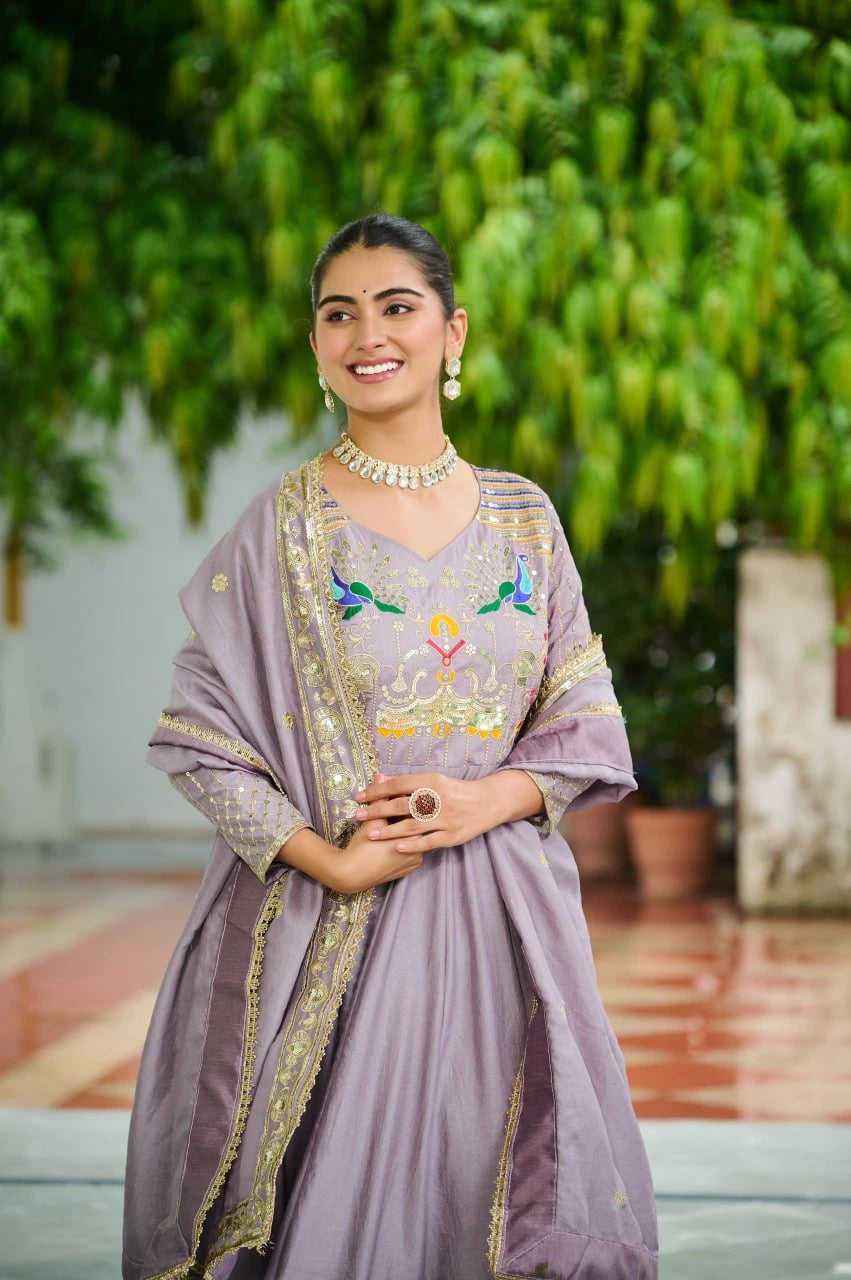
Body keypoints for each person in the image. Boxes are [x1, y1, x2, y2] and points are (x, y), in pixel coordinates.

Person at [122, 214, 658, 1280]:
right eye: (339, 313)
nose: (367, 334)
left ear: (451, 332)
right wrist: (331, 862)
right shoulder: (280, 529)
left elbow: (583, 712)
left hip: (504, 918)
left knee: (494, 1183)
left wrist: (481, 802)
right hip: (335, 922)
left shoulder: (524, 519)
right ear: (316, 344)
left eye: (396, 306)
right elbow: (198, 735)